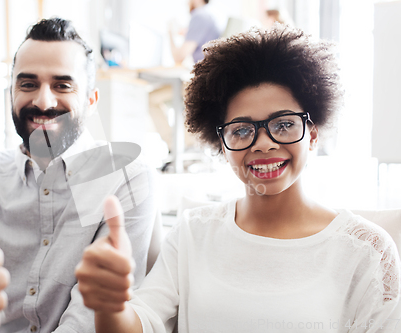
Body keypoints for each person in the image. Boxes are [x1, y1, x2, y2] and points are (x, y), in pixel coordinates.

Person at [75, 24, 401, 332]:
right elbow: (140, 323)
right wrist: (110, 307)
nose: (263, 144)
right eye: (242, 130)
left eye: (284, 124)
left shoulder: (367, 251)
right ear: (221, 144)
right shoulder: (192, 234)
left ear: (312, 134)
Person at [0, 18, 156, 333]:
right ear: (12, 93)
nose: (43, 101)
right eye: (28, 84)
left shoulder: (126, 177)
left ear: (91, 101)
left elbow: (87, 321)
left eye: (62, 85)